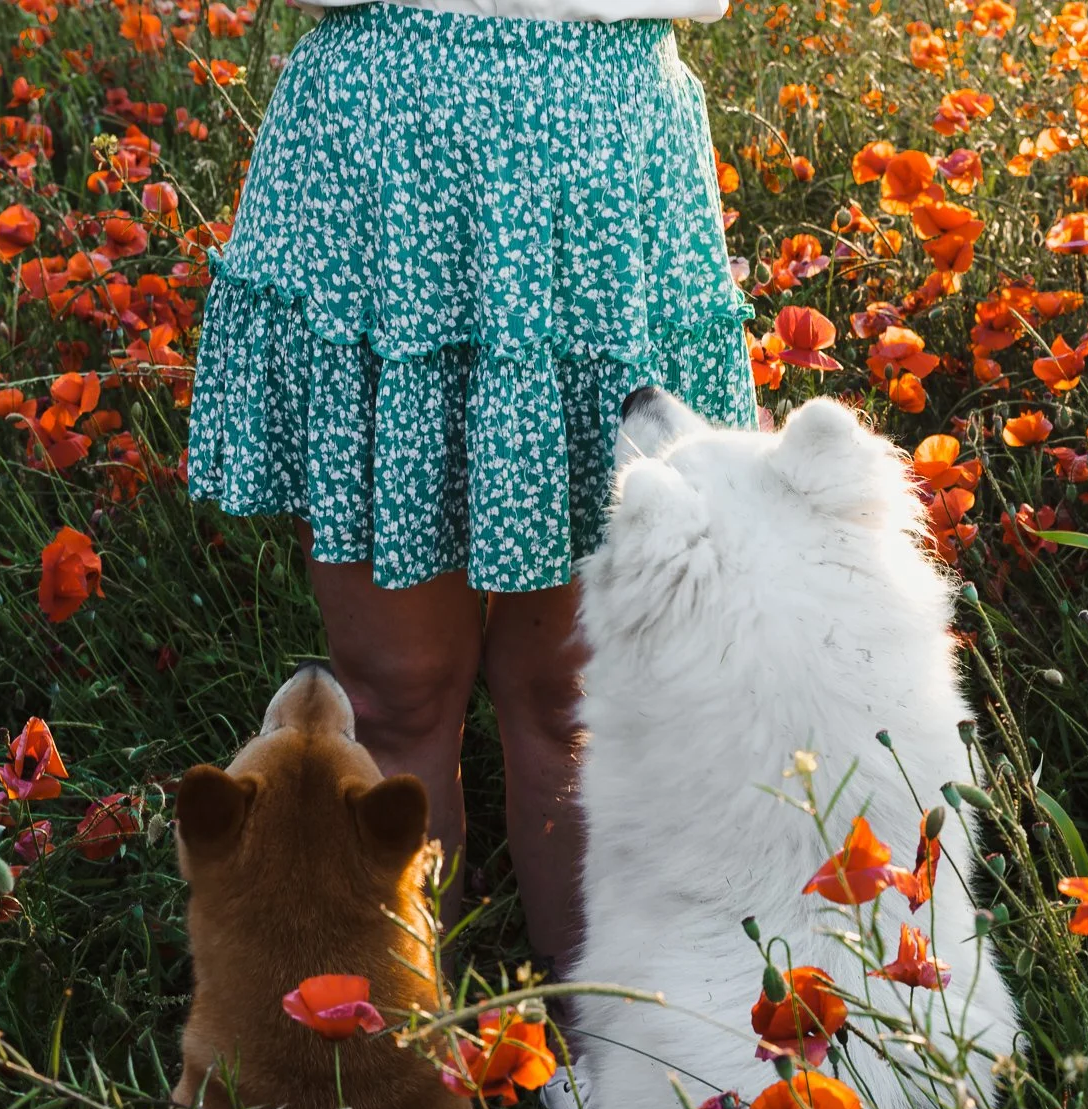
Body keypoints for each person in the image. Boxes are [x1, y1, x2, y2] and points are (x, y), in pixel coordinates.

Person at [184, 0, 754, 973]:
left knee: (575, 699)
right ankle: (413, 1062)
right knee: (396, 694)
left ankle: (596, 1079)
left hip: (600, 126)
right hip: (381, 127)